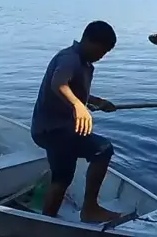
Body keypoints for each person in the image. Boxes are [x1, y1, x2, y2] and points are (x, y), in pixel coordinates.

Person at [31, 20, 121, 223]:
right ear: (88, 40)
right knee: (103, 149)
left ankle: (47, 222)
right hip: (53, 130)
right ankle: (90, 209)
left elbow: (73, 91)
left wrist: (95, 101)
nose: (102, 56)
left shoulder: (83, 62)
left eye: (106, 53)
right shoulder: (69, 58)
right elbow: (59, 84)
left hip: (49, 130)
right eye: (101, 50)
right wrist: (78, 106)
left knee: (62, 178)